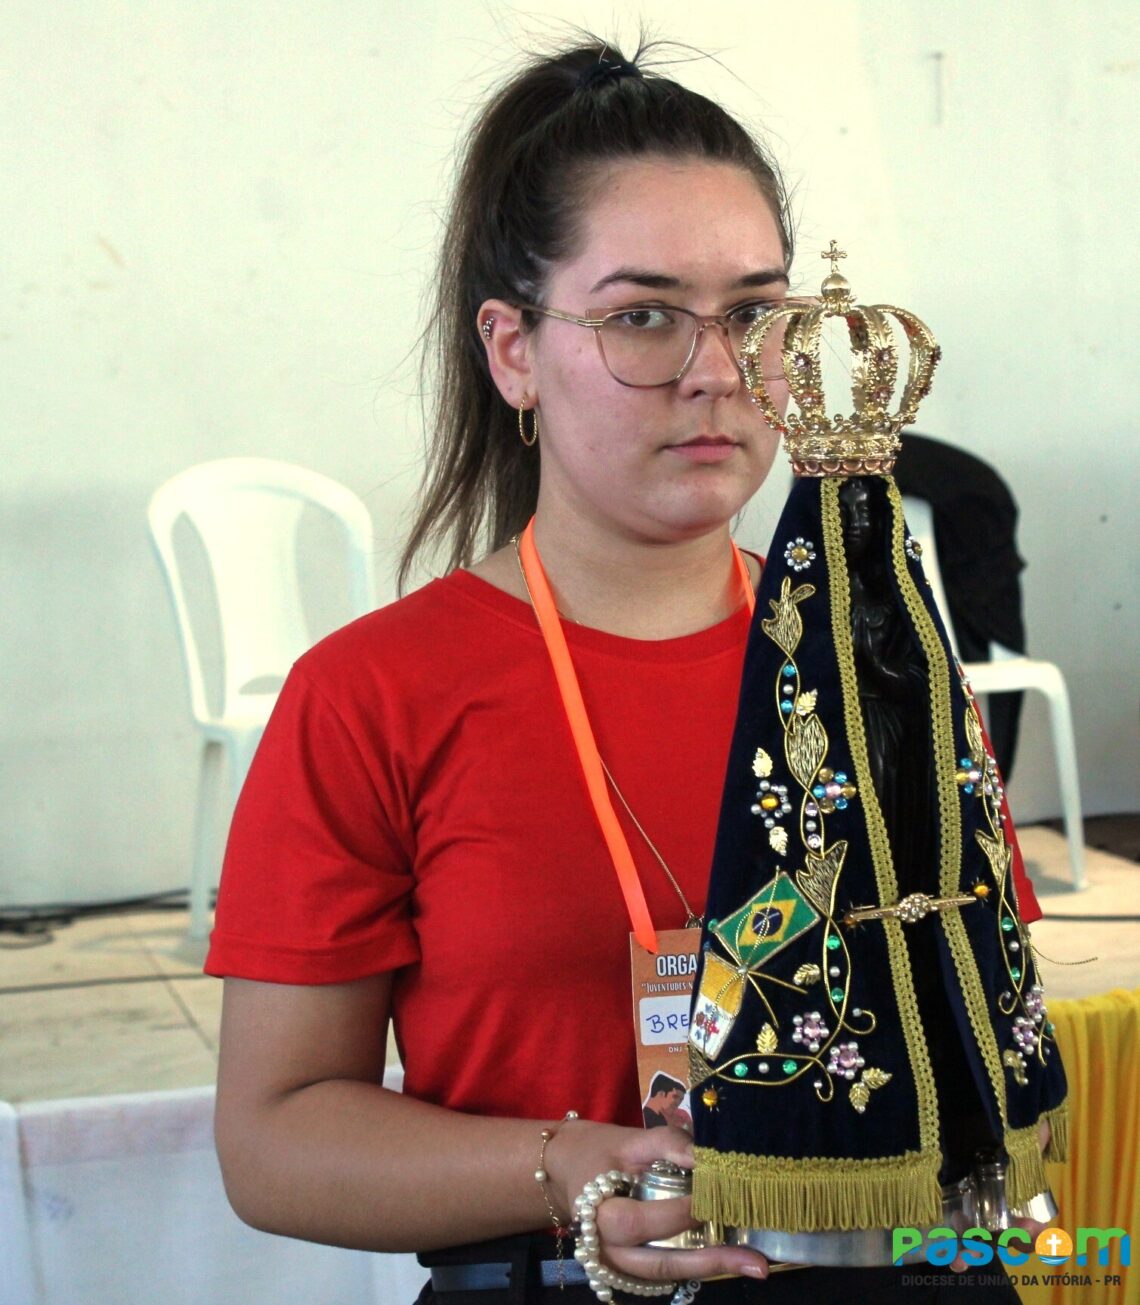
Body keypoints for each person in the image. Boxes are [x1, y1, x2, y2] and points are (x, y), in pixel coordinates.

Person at [206, 38, 1033, 1303]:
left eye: (757, 314)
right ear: (514, 350)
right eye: (644, 314)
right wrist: (575, 1172)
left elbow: (985, 1015)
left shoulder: (883, 673)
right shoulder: (374, 694)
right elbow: (272, 1143)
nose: (715, 371)